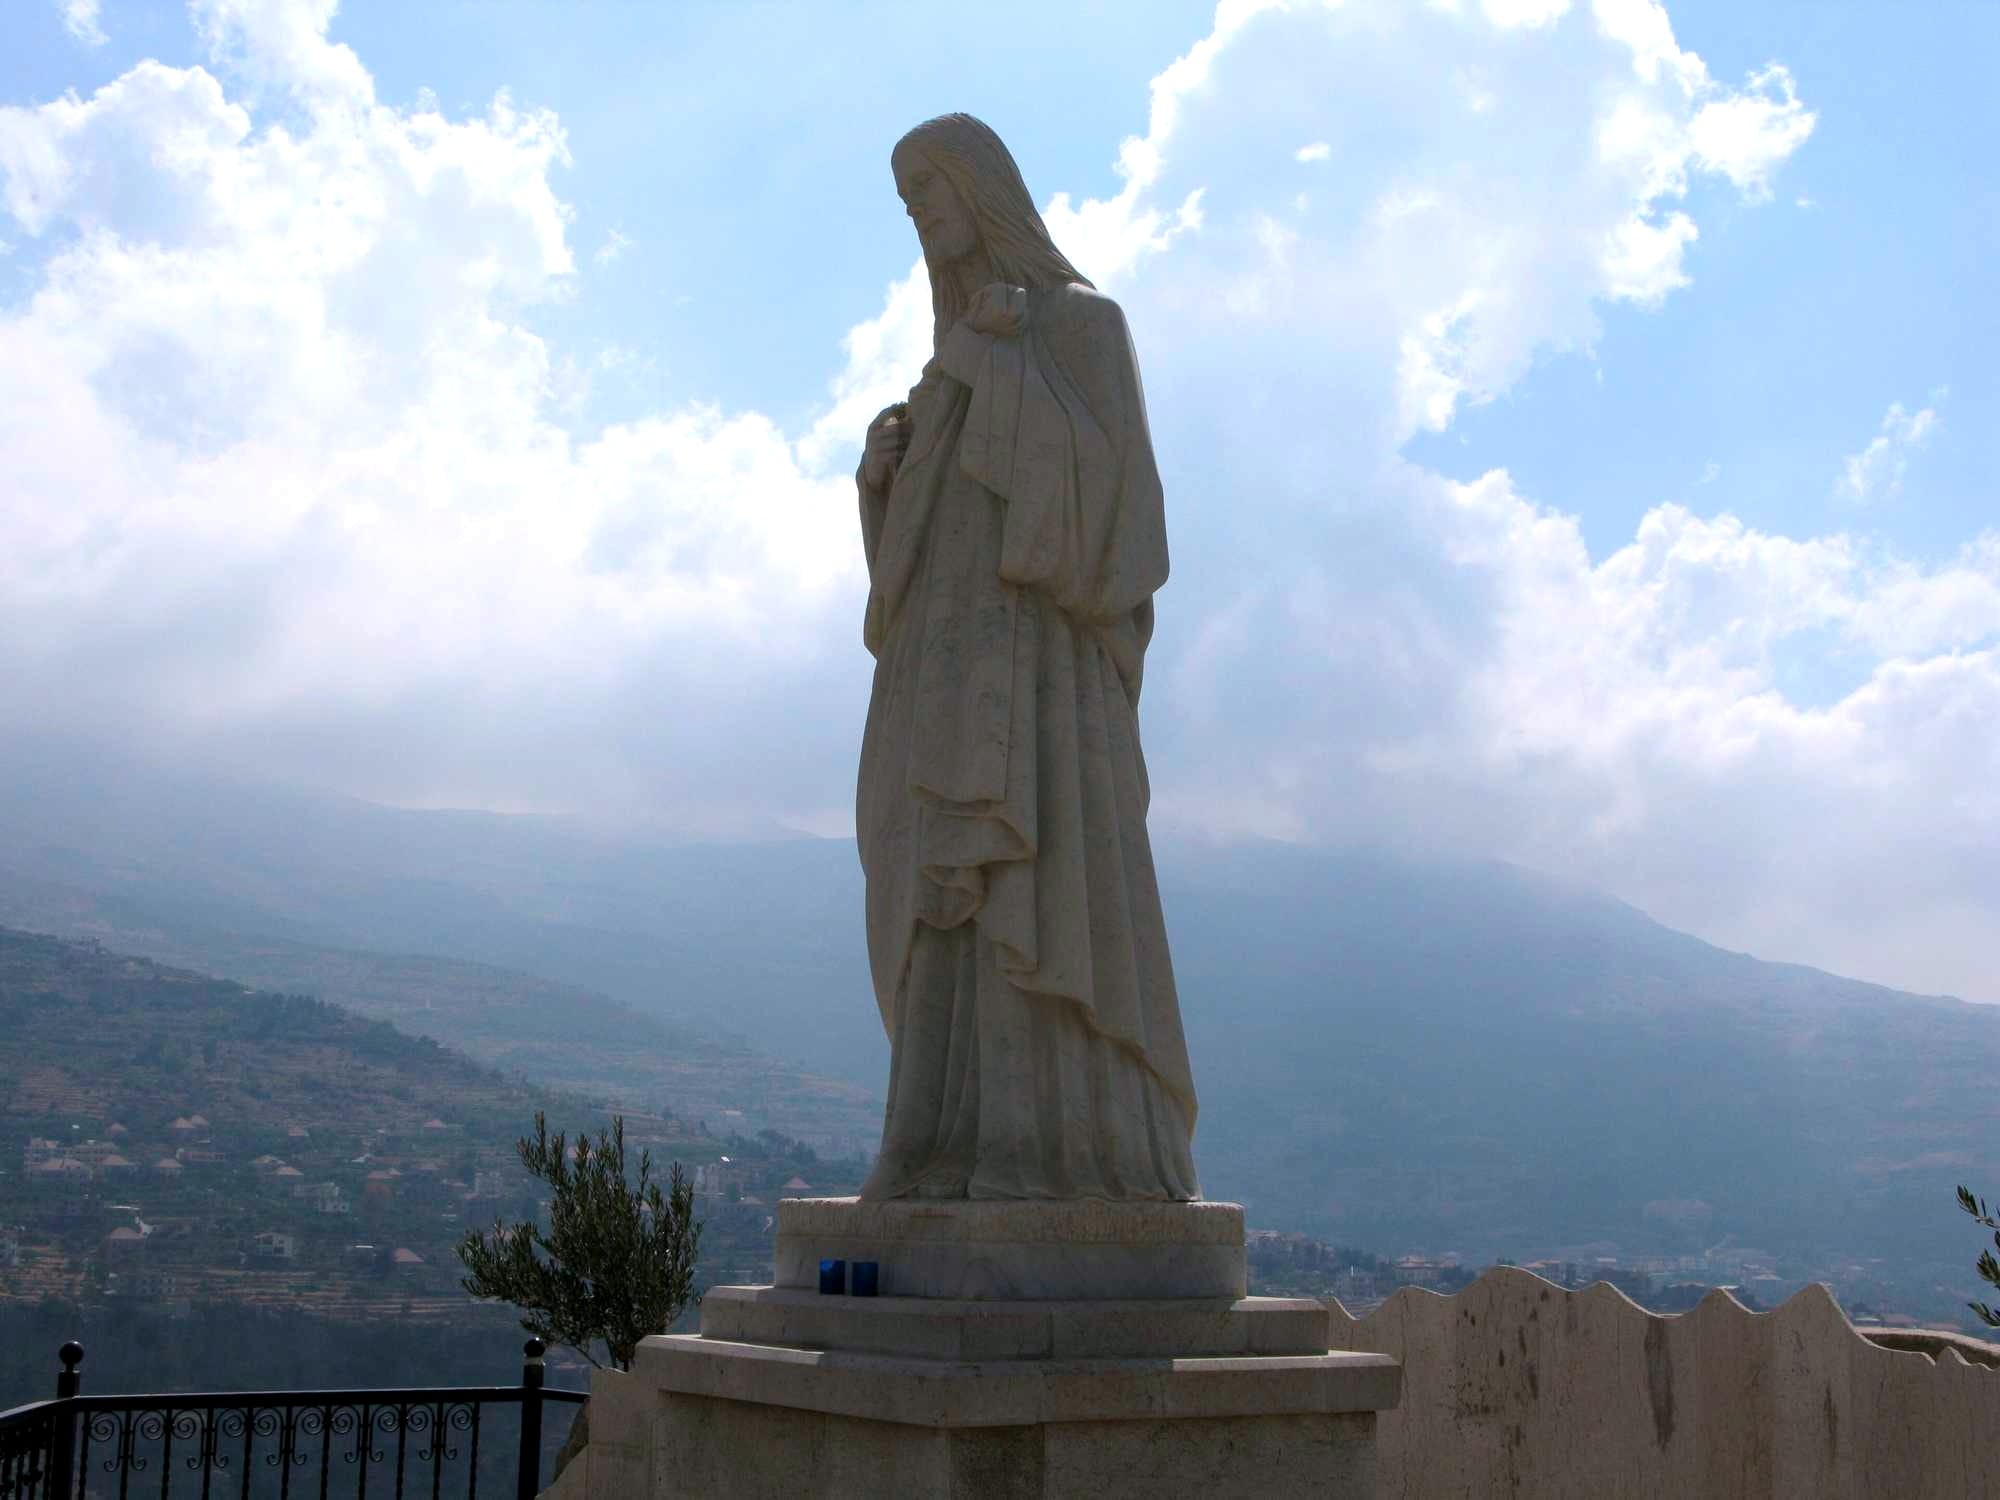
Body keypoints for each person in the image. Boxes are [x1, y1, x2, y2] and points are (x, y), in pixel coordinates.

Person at [853, 113, 1199, 1203]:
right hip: (946, 686)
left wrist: (987, 370)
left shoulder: (1080, 325)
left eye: (931, 189)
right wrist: (883, 483)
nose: (921, 213)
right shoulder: (949, 364)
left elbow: (1116, 525)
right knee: (944, 897)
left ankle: (1064, 1151)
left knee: (1037, 890)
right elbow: (916, 569)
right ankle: (938, 1144)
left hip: (1046, 687)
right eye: (906, 200)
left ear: (983, 188)